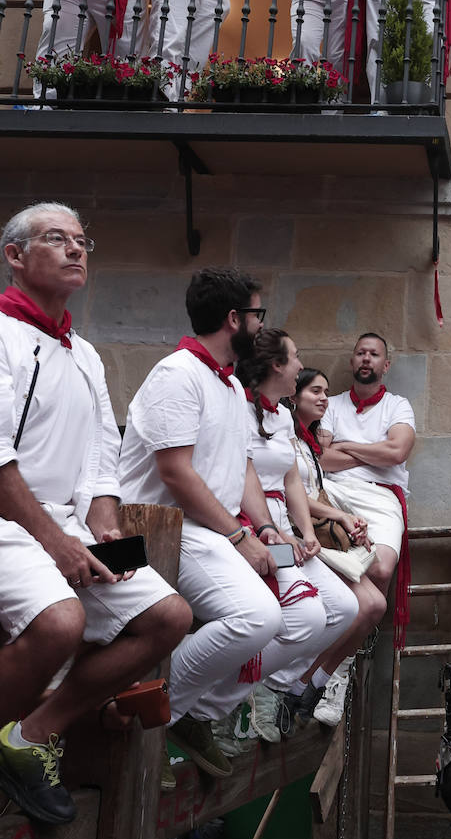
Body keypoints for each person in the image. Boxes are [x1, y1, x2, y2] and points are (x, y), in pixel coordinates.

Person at [0, 203, 190, 832]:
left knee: (168, 616)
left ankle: (29, 738)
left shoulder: (85, 352)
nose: (76, 251)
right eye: (57, 240)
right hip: (0, 518)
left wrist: (104, 528)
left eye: (81, 241)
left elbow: (103, 461)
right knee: (60, 623)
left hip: (65, 524)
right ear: (16, 256)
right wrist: (60, 547)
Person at [118, 268, 324, 787]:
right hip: (163, 528)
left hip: (214, 530)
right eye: (258, 315)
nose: (263, 326)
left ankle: (186, 712)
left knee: (304, 614)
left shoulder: (229, 384)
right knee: (256, 616)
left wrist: (262, 526)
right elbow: (174, 472)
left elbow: (241, 468)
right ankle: (145, 715)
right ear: (234, 319)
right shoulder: (178, 374)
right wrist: (239, 535)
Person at [233, 333, 363, 731]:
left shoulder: (282, 415)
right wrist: (269, 530)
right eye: (296, 357)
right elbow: (241, 474)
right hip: (248, 524)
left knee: (345, 608)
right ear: (276, 365)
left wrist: (306, 531)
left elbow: (292, 479)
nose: (299, 364)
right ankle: (236, 690)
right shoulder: (238, 405)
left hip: (283, 523)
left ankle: (272, 684)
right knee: (304, 614)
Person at [280, 365, 386, 726]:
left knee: (374, 605)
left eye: (326, 391)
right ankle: (298, 683)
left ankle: (314, 682)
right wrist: (339, 517)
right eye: (316, 391)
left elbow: (317, 494)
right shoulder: (285, 440)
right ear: (292, 397)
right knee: (362, 605)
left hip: (322, 535)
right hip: (295, 537)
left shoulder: (309, 444)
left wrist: (348, 520)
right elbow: (290, 497)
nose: (325, 398)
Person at [318, 332, 416, 677]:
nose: (366, 359)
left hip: (381, 493)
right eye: (360, 353)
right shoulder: (330, 404)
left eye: (374, 354)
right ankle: (336, 666)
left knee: (381, 569)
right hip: (335, 491)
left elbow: (397, 452)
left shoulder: (398, 406)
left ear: (385, 365)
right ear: (352, 361)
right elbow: (322, 460)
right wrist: (373, 450)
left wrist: (346, 446)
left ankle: (344, 655)